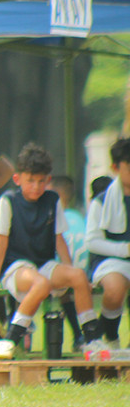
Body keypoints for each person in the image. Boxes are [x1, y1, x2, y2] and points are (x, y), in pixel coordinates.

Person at [0, 143, 101, 360]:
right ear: (18, 179)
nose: (36, 186)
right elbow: (1, 242)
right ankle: (9, 340)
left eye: (41, 181)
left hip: (44, 264)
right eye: (30, 180)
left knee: (79, 276)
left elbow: (59, 238)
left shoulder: (52, 200)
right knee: (40, 284)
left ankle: (91, 340)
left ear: (48, 180)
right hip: (17, 267)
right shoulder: (8, 201)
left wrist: (70, 273)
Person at [85, 138, 130, 350]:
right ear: (115, 167)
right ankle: (109, 337)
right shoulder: (101, 201)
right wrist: (124, 249)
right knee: (115, 286)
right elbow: (92, 242)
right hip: (109, 262)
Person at [49, 174, 88, 349]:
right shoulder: (79, 218)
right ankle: (81, 336)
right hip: (86, 275)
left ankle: (78, 335)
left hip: (65, 277)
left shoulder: (54, 219)